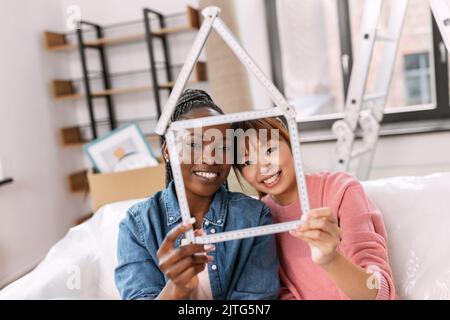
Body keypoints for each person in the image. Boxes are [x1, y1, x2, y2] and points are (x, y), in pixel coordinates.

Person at [114, 89, 279, 300]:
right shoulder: (137, 226)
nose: (211, 159)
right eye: (195, 144)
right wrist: (177, 288)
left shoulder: (254, 218)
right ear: (168, 151)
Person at [232, 117, 396, 300]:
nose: (263, 167)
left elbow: (380, 291)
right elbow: (281, 293)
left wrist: (330, 260)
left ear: (290, 143)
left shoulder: (341, 190)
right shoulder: (259, 218)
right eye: (247, 162)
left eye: (269, 150)